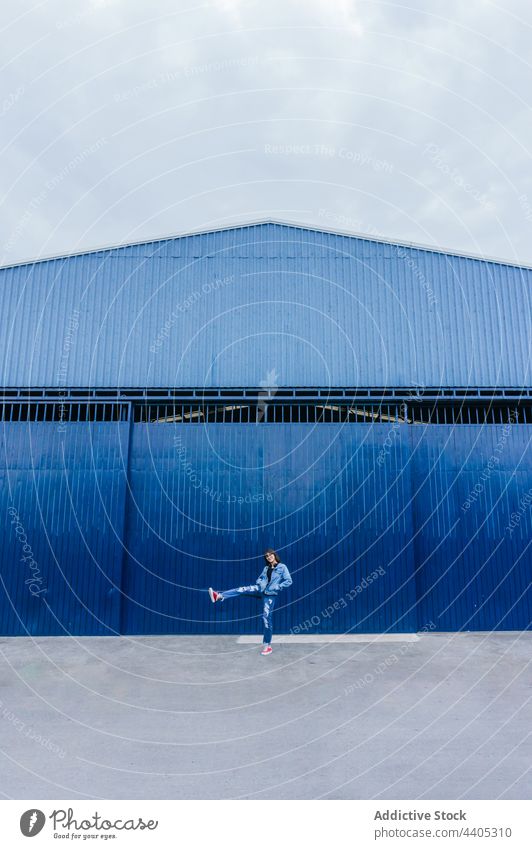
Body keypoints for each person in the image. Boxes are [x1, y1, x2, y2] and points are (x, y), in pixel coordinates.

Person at [208, 548, 292, 655]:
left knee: (266, 618)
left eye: (270, 555)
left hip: (270, 595)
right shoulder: (266, 568)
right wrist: (260, 582)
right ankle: (219, 596)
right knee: (241, 589)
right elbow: (260, 578)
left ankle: (267, 646)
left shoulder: (282, 567)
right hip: (259, 590)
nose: (269, 557)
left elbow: (289, 581)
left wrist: (278, 586)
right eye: (266, 556)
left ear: (274, 555)